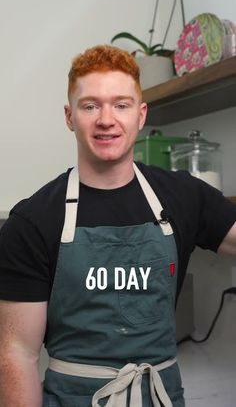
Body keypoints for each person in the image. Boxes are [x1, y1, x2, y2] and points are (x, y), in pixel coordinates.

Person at [0, 44, 236, 407]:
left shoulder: (185, 197)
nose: (106, 119)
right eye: (90, 105)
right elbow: (17, 354)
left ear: (141, 116)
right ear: (69, 116)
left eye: (121, 105)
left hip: (161, 396)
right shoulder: (33, 221)